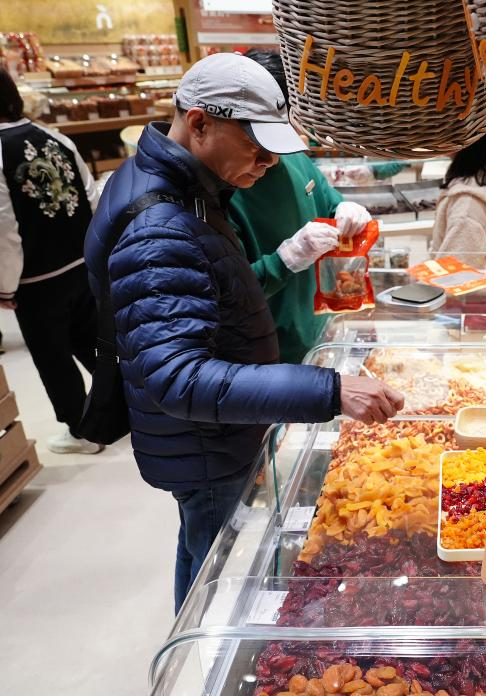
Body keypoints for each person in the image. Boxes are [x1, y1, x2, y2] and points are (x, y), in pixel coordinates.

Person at [84, 53, 403, 613]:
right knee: (215, 566)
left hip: (212, 429)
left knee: (203, 546)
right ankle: (202, 651)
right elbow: (180, 378)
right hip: (202, 439)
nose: (270, 162)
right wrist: (329, 390)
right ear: (199, 123)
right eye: (257, 146)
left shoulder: (182, 184)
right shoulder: (160, 226)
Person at [228, 50, 367, 364]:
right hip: (270, 354)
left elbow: (328, 201)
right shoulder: (227, 189)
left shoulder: (293, 158)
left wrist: (345, 209)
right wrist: (286, 259)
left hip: (320, 330)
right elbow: (230, 297)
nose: (270, 158)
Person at [0, 67, 104, 455]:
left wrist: (5, 286)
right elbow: (92, 200)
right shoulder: (55, 137)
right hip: (81, 264)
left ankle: (82, 431)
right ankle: (124, 410)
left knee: (53, 358)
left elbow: (5, 230)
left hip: (36, 281)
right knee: (93, 343)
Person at [430, 129, 486, 270]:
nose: (436, 132)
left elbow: (455, 271)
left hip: (469, 283)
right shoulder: (480, 178)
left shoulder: (465, 205)